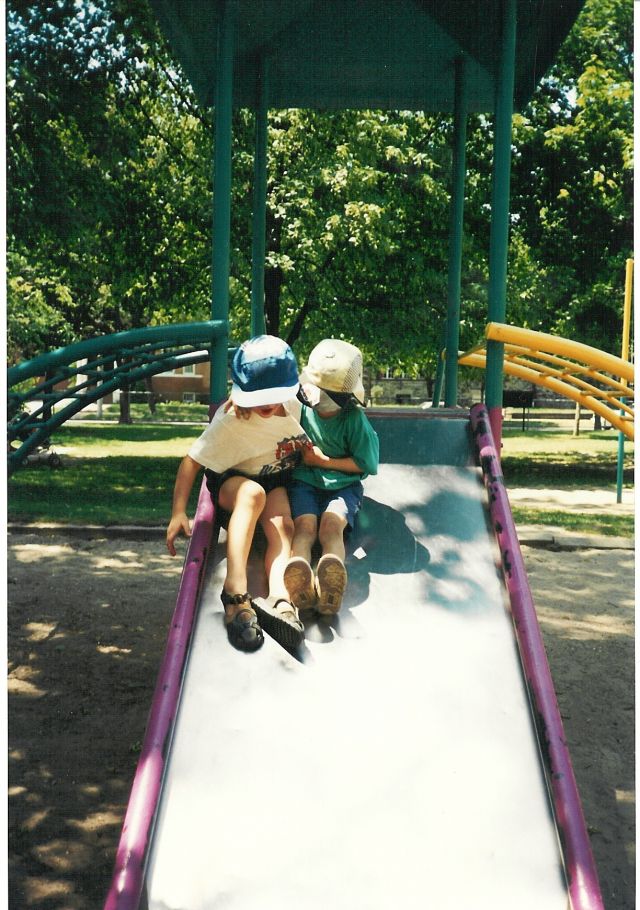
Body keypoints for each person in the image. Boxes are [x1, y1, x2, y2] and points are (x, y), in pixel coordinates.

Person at [166, 335, 311, 653]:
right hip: (233, 483)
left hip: (274, 477)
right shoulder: (231, 419)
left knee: (283, 524)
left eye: (275, 395)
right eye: (260, 396)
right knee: (253, 494)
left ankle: (281, 598)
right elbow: (191, 462)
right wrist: (178, 511)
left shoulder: (294, 404)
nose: (268, 403)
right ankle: (235, 592)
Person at [283, 339, 379, 617]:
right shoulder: (302, 409)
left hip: (343, 487)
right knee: (304, 528)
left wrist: (322, 461)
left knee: (331, 526)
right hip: (305, 482)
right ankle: (300, 576)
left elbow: (365, 464)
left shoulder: (354, 420)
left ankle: (331, 580)